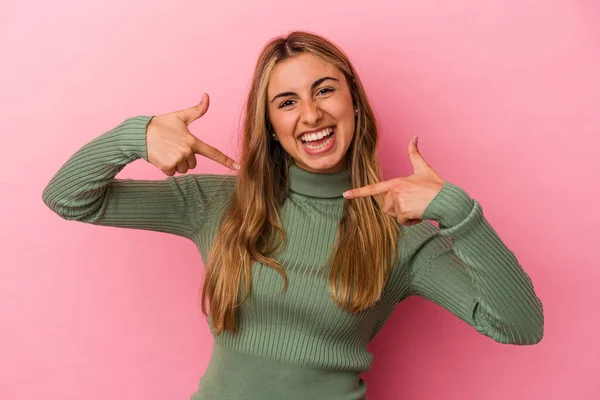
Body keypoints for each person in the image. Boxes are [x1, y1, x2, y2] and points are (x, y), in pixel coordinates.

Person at [42, 31, 544, 400]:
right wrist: (136, 135)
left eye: (324, 90)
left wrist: (457, 212)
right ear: (273, 127)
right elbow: (68, 197)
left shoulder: (401, 236)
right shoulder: (220, 204)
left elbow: (520, 325)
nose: (310, 114)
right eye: (287, 102)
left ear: (354, 102)